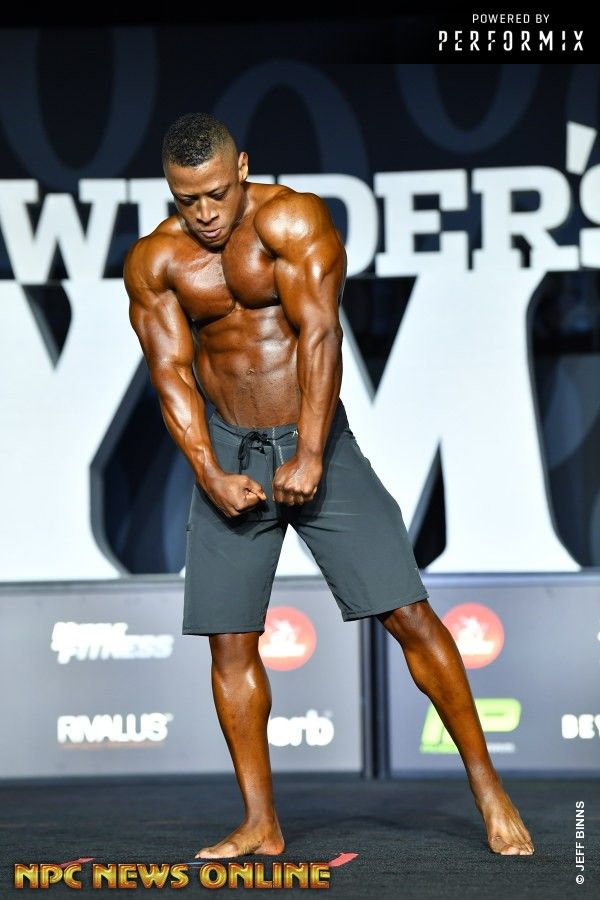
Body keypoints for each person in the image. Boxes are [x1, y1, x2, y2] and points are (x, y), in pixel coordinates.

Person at [123, 112, 534, 859]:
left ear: (242, 167)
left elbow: (320, 333)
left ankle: (488, 788)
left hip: (316, 438)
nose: (205, 213)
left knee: (408, 613)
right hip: (229, 448)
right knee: (228, 642)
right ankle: (260, 822)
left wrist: (311, 452)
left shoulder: (292, 220)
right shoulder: (157, 261)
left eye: (216, 193)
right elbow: (171, 373)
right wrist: (209, 471)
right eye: (188, 200)